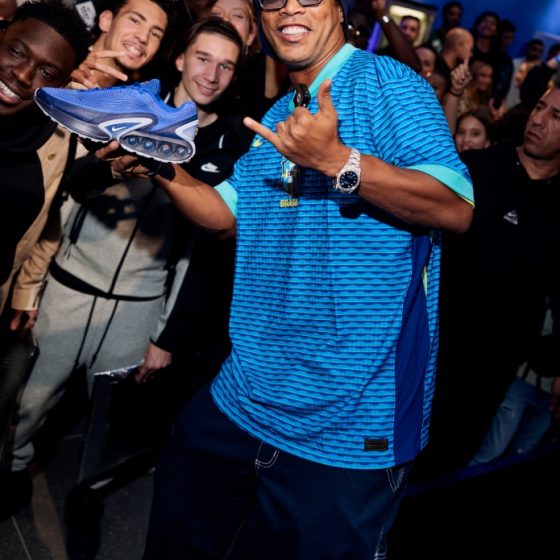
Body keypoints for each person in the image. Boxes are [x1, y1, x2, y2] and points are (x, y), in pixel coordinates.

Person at [100, 0, 474, 555]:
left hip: (350, 422)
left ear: (339, 10)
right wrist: (158, 165)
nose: (289, 7)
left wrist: (340, 161)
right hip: (244, 396)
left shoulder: (390, 84)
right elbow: (225, 215)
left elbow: (455, 207)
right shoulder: (276, 115)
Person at [1, 0, 175, 526]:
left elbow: (52, 205)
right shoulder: (57, 85)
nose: (143, 37)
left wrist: (23, 290)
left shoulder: (131, 106)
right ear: (106, 20)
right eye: (135, 19)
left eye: (157, 32)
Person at [420, 82, 560, 475]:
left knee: (451, 465)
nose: (538, 120)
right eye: (539, 107)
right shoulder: (481, 168)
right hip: (434, 348)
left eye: (555, 116)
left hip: (492, 369)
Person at [0, 0, 89, 312]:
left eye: (46, 72)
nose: (23, 75)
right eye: (16, 52)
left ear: (60, 88)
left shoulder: (25, 184)